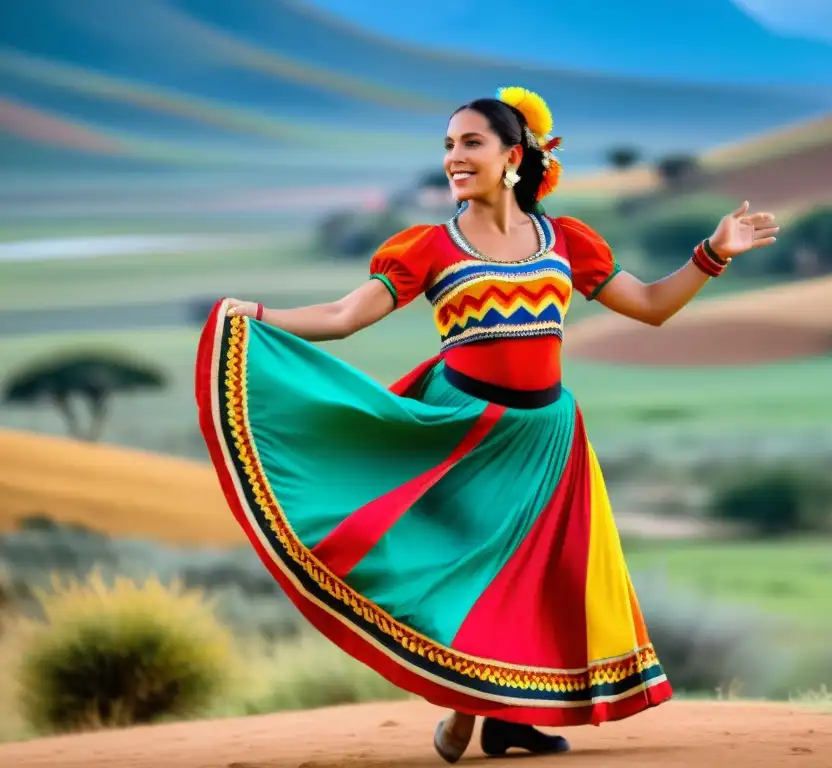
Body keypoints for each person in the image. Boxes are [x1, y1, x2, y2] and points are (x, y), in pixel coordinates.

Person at [195, 86, 778, 764]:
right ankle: (470, 709)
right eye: (448, 146)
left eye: (470, 143)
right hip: (464, 431)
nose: (454, 158)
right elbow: (346, 316)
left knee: (536, 579)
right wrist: (258, 316)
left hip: (549, 437)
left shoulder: (569, 241)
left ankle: (505, 721)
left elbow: (649, 305)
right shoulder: (428, 247)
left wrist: (714, 253)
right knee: (480, 578)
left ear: (514, 156)